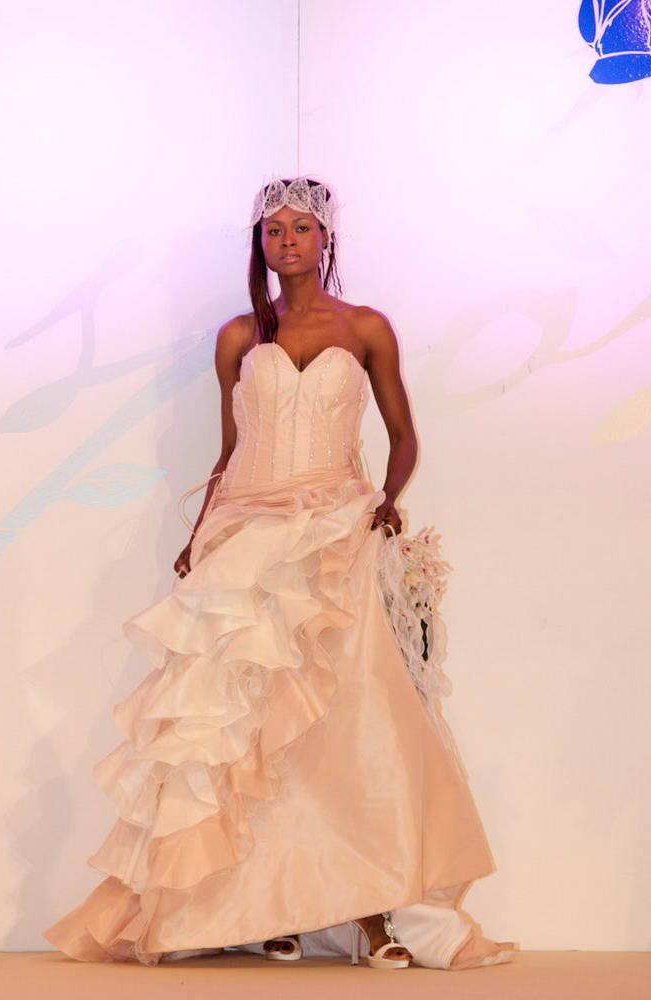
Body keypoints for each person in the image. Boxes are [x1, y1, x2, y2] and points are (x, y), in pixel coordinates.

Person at [42, 176, 516, 970]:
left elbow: (403, 435)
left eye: (301, 228)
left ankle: (371, 912)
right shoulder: (238, 335)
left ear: (325, 238)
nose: (287, 241)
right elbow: (231, 451)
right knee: (246, 732)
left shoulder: (366, 327)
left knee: (348, 723)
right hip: (250, 534)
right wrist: (199, 536)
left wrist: (386, 502)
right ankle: (268, 907)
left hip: (333, 535)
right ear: (259, 243)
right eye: (273, 230)